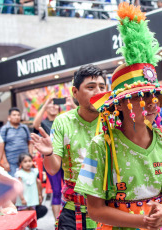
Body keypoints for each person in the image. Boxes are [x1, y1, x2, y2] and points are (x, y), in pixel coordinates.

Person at [74, 3, 162, 230]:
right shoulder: (101, 147)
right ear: (119, 104)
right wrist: (142, 221)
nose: (151, 102)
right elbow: (95, 209)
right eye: (141, 96)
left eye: (154, 95)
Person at [31, 64, 107, 230]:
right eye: (91, 87)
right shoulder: (63, 121)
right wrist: (49, 153)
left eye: (102, 87)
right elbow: (52, 169)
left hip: (110, 209)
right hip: (74, 210)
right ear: (75, 92)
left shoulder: (113, 120)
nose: (98, 92)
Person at [33, 97, 63, 221]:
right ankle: (58, 223)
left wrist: (72, 103)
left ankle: (70, 218)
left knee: (71, 190)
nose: (53, 106)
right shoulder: (44, 123)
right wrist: (45, 104)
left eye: (55, 104)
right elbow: (35, 124)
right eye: (50, 104)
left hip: (67, 159)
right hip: (52, 159)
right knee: (56, 191)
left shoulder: (64, 120)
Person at [0, 107, 32, 176]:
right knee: (15, 183)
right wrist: (5, 162)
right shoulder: (5, 129)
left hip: (25, 162)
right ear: (9, 117)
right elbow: (1, 147)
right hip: (11, 162)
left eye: (18, 115)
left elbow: (30, 142)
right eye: (14, 115)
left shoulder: (24, 127)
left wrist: (31, 157)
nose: (17, 117)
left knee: (27, 181)